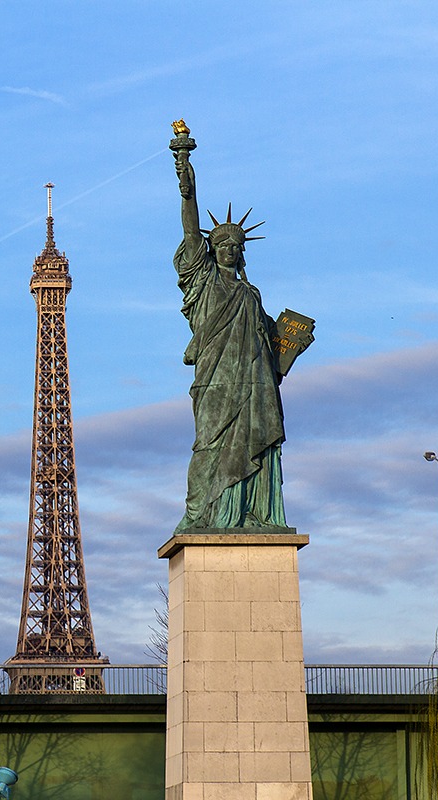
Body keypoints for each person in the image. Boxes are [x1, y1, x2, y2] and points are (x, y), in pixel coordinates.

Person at [172, 151, 286, 532]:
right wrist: (188, 190)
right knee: (207, 449)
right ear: (212, 250)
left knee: (254, 443)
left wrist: (288, 345)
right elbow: (191, 233)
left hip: (253, 388)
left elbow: (267, 344)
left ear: (242, 253)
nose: (230, 250)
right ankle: (201, 513)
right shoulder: (203, 282)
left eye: (237, 247)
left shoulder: (251, 295)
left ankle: (249, 513)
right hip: (214, 383)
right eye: (223, 245)